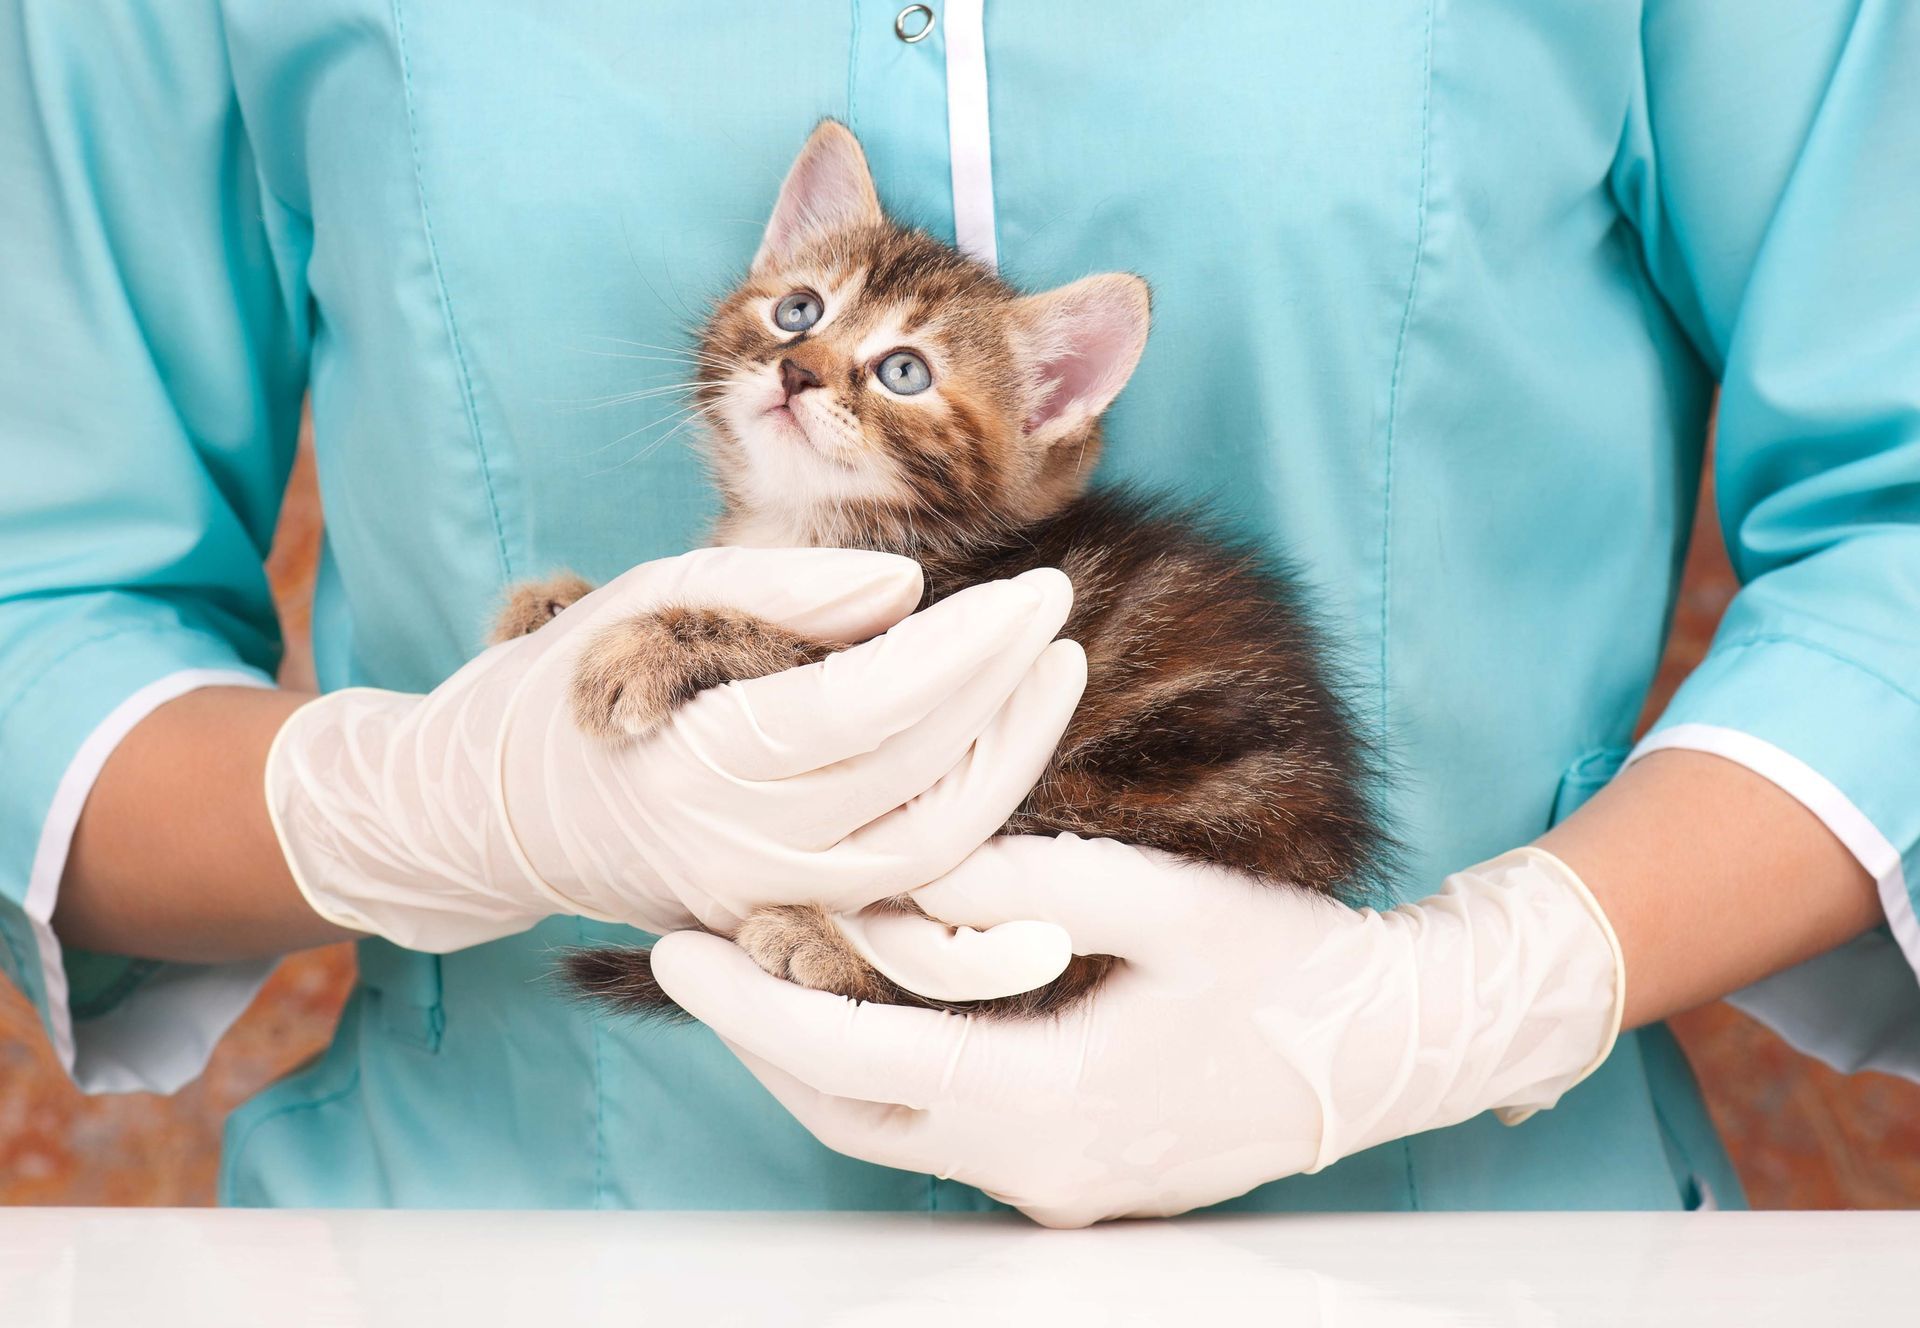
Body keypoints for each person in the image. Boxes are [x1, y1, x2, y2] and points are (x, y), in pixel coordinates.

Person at [2, 2, 1914, 1217]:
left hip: (1457, 1238)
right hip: (501, 1240)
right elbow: (40, 606)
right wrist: (430, 800)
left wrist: (1480, 991)